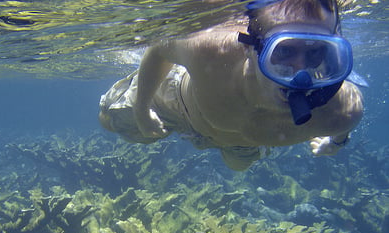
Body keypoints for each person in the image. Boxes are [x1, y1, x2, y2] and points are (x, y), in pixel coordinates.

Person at [99, 0, 364, 171]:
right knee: (108, 119)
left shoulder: (341, 111)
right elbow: (159, 50)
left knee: (239, 167)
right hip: (180, 105)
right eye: (283, 53)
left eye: (316, 52)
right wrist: (143, 112)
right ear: (252, 48)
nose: (299, 74)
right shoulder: (211, 53)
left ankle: (235, 150)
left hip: (241, 144)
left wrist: (335, 144)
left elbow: (342, 129)